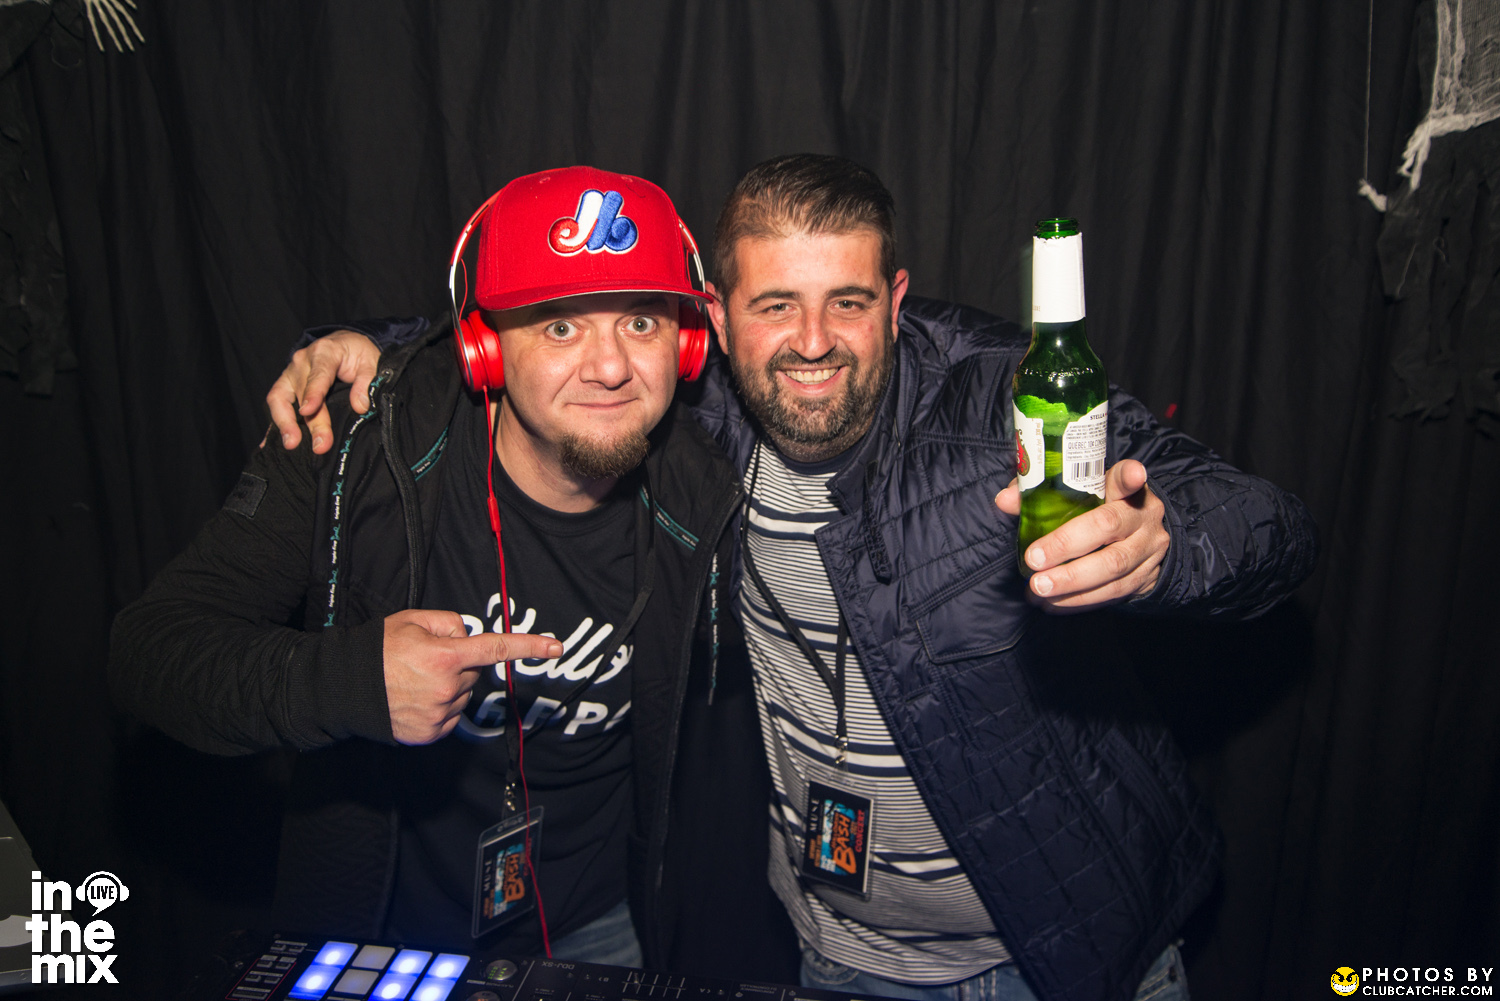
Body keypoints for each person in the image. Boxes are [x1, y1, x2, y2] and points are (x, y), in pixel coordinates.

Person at [271, 155, 1318, 1001]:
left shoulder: (1002, 399)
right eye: (775, 305)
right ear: (717, 320)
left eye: (847, 301)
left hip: (1067, 953)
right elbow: (548, 344)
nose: (812, 344)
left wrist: (1168, 545)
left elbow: (1265, 521)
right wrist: (374, 348)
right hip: (836, 956)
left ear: (894, 302)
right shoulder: (693, 423)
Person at [109, 166, 795, 975]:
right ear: (484, 348)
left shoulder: (711, 489)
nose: (610, 367)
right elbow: (148, 652)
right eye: (559, 326)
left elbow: (844, 362)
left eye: (640, 322)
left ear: (686, 343)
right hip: (377, 929)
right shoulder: (361, 447)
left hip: (606, 926)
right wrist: (350, 681)